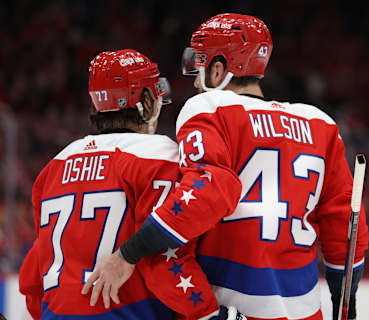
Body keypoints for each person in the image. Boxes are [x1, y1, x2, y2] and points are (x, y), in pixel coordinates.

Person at [85, 14, 369, 320]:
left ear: (219, 70)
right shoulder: (319, 123)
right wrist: (345, 298)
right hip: (303, 310)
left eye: (200, 69)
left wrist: (131, 252)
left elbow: (203, 191)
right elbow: (345, 222)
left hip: (232, 308)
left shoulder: (208, 108)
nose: (195, 82)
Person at [18, 48, 236, 320]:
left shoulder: (54, 167)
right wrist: (208, 313)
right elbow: (163, 256)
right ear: (146, 102)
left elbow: (33, 276)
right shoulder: (160, 156)